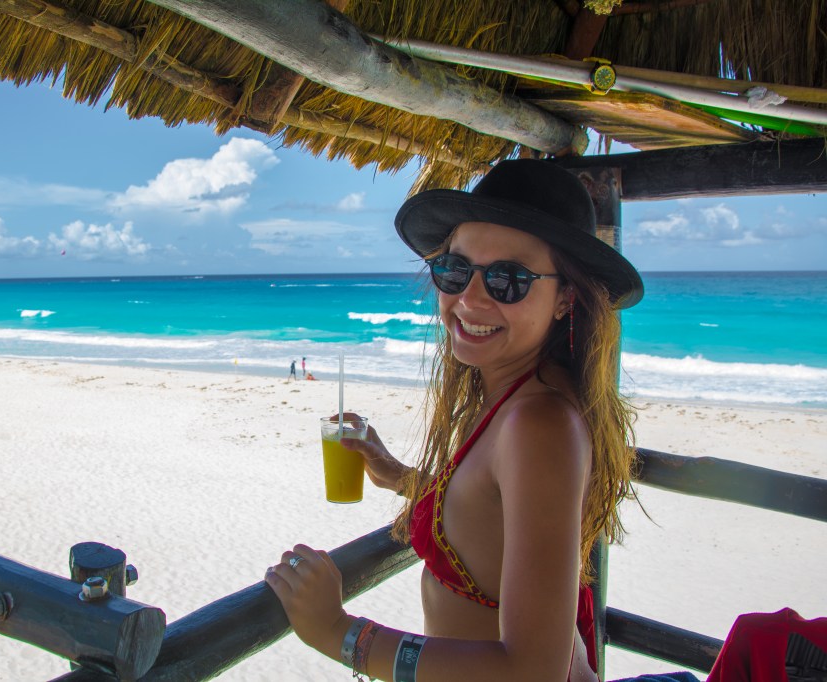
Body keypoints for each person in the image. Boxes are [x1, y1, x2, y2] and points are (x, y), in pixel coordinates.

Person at [265, 159, 666, 682]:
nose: (470, 298)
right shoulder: (517, 392)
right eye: (455, 269)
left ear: (567, 296)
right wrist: (402, 477)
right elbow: (497, 517)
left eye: (509, 279)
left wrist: (340, 633)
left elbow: (532, 672)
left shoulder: (539, 424)